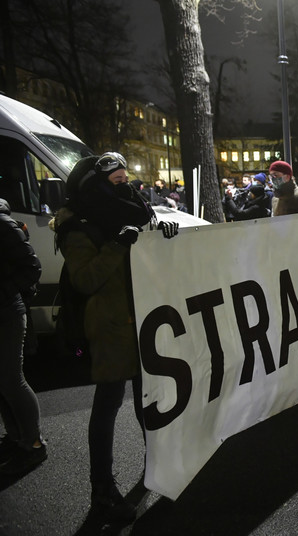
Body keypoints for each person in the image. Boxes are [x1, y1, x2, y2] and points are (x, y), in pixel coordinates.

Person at [52, 152, 179, 524]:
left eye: (127, 181)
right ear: (94, 185)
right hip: (108, 327)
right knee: (107, 404)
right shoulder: (77, 225)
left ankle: (160, 463)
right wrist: (118, 245)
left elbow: (148, 252)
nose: (126, 188)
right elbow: (86, 279)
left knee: (148, 398)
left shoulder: (131, 213)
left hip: (140, 319)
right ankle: (102, 490)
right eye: (117, 182)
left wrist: (162, 237)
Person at [0, 198, 46, 475]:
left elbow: (32, 267)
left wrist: (4, 291)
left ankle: (35, 443)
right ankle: (17, 437)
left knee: (11, 380)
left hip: (7, 312)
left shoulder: (3, 224)